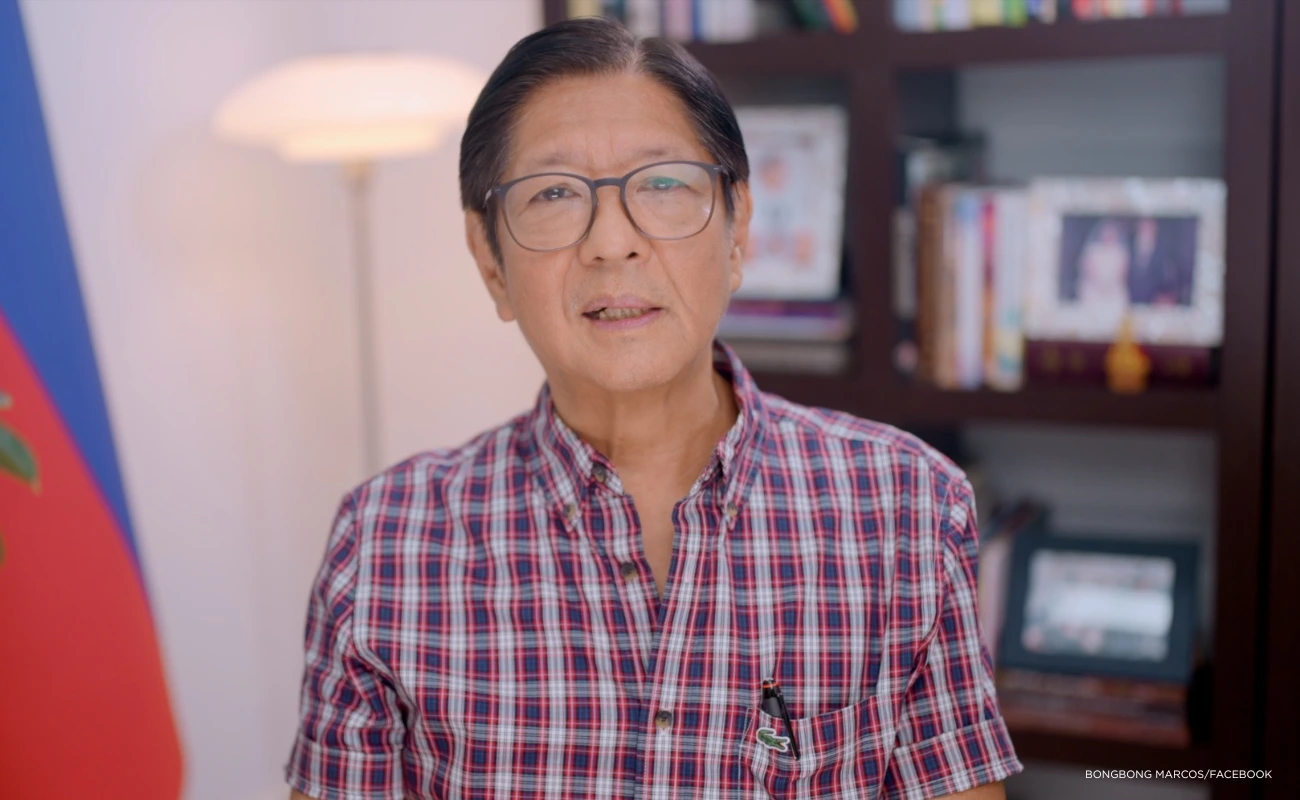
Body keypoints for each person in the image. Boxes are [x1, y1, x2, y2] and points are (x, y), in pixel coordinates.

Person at [285, 16, 1021, 800]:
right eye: (554, 193)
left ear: (737, 231)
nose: (612, 243)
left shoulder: (908, 509)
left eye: (663, 184)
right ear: (490, 261)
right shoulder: (384, 546)